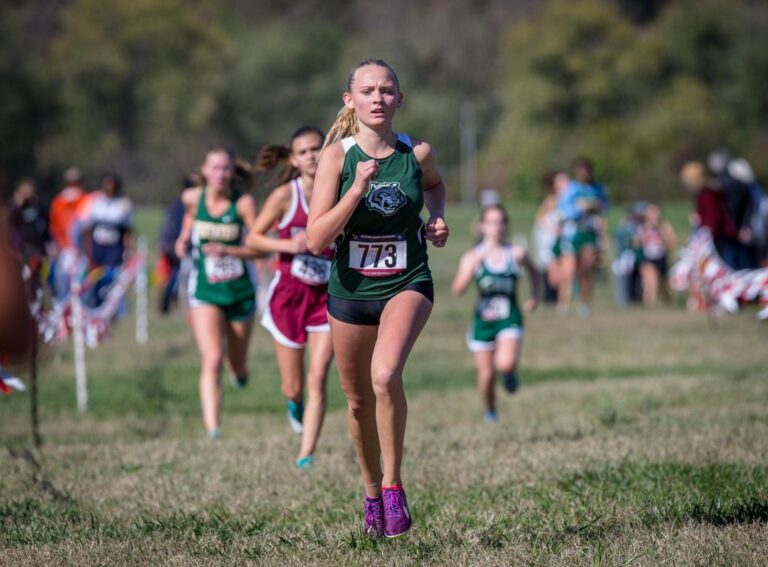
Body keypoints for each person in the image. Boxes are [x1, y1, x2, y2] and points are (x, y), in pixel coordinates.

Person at [306, 59, 449, 538]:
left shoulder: (416, 151)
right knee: (357, 403)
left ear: (399, 99)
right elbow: (315, 239)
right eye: (367, 91)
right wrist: (356, 191)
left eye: (386, 90)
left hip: (407, 280)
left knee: (385, 376)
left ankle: (393, 486)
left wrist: (438, 218)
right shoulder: (336, 158)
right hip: (349, 291)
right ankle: (370, 494)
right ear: (350, 100)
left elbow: (434, 185)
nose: (377, 98)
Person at [246, 126, 334, 469]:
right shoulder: (286, 196)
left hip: (327, 296)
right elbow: (254, 238)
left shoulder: (341, 192)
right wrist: (288, 244)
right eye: (304, 151)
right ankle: (293, 403)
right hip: (288, 297)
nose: (312, 155)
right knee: (293, 386)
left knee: (318, 376)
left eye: (317, 148)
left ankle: (306, 454)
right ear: (294, 159)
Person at [174, 146, 259, 439]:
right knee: (212, 357)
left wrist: (228, 250)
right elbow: (189, 218)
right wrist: (184, 238)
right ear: (204, 171)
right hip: (204, 290)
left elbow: (259, 246)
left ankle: (240, 372)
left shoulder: (244, 203)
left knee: (235, 363)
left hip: (240, 292)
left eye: (226, 168)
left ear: (232, 172)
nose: (221, 174)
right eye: (215, 167)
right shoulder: (192, 198)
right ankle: (213, 427)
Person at [451, 205, 539, 423]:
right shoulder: (473, 256)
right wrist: (472, 268)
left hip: (509, 318)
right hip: (483, 322)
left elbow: (535, 273)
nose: (496, 227)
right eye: (491, 222)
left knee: (505, 363)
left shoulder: (516, 253)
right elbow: (457, 290)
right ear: (482, 226)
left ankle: (509, 374)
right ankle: (490, 412)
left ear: (506, 225)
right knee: (486, 376)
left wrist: (534, 295)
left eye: (500, 222)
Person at [554, 157, 609, 316]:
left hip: (589, 232)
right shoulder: (571, 188)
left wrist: (597, 207)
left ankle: (585, 303)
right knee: (569, 270)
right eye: (581, 170)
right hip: (572, 232)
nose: (584, 173)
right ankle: (563, 303)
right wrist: (579, 209)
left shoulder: (597, 188)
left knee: (586, 269)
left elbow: (605, 206)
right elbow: (563, 209)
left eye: (586, 170)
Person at [81, 173, 134, 307]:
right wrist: (88, 250)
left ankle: (112, 308)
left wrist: (127, 251)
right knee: (95, 277)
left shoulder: (124, 204)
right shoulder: (95, 202)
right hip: (98, 247)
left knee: (111, 277)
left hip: (114, 248)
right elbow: (87, 229)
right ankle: (94, 304)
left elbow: (128, 230)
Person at [158, 176, 198, 314]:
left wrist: (163, 242)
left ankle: (168, 302)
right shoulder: (185, 206)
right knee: (180, 275)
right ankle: (170, 301)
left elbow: (166, 227)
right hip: (180, 246)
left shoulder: (174, 204)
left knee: (174, 275)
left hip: (170, 244)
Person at [49, 167, 86, 298]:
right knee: (76, 280)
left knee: (67, 279)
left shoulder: (59, 200)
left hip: (71, 247)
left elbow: (54, 226)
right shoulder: (84, 199)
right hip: (72, 247)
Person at [532, 170, 567, 304]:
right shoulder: (551, 200)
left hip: (563, 239)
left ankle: (559, 298)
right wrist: (552, 229)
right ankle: (550, 297)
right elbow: (540, 219)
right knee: (550, 267)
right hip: (549, 239)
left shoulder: (570, 199)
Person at [635, 203, 676, 306]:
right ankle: (649, 305)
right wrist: (645, 233)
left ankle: (666, 303)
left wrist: (662, 235)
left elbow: (672, 244)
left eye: (655, 212)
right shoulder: (643, 227)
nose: (653, 215)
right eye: (651, 213)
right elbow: (636, 243)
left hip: (662, 258)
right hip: (648, 259)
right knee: (650, 283)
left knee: (663, 286)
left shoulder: (665, 226)